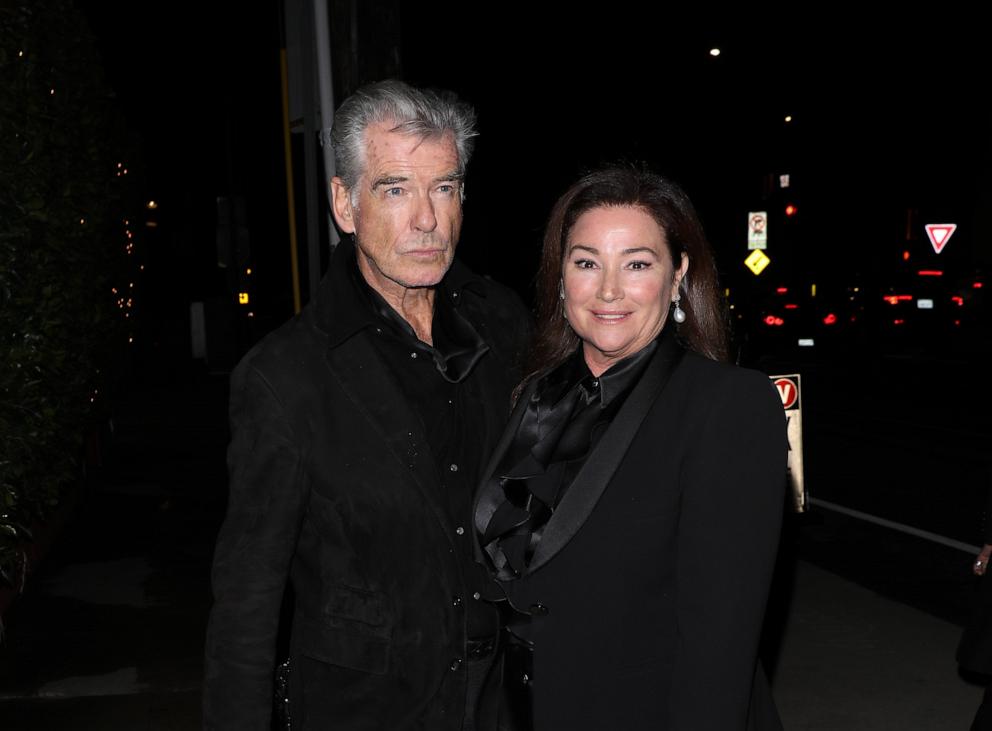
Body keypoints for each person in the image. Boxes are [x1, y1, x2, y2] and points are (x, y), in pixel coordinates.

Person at [204, 80, 528, 730]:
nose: (427, 219)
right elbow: (247, 604)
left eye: (444, 187)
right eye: (396, 189)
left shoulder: (504, 324)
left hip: (501, 706)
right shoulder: (284, 377)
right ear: (344, 203)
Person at [473, 166, 787, 730]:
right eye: (586, 262)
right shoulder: (532, 396)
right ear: (561, 276)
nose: (609, 290)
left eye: (637, 264)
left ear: (677, 275)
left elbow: (720, 644)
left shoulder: (729, 406)